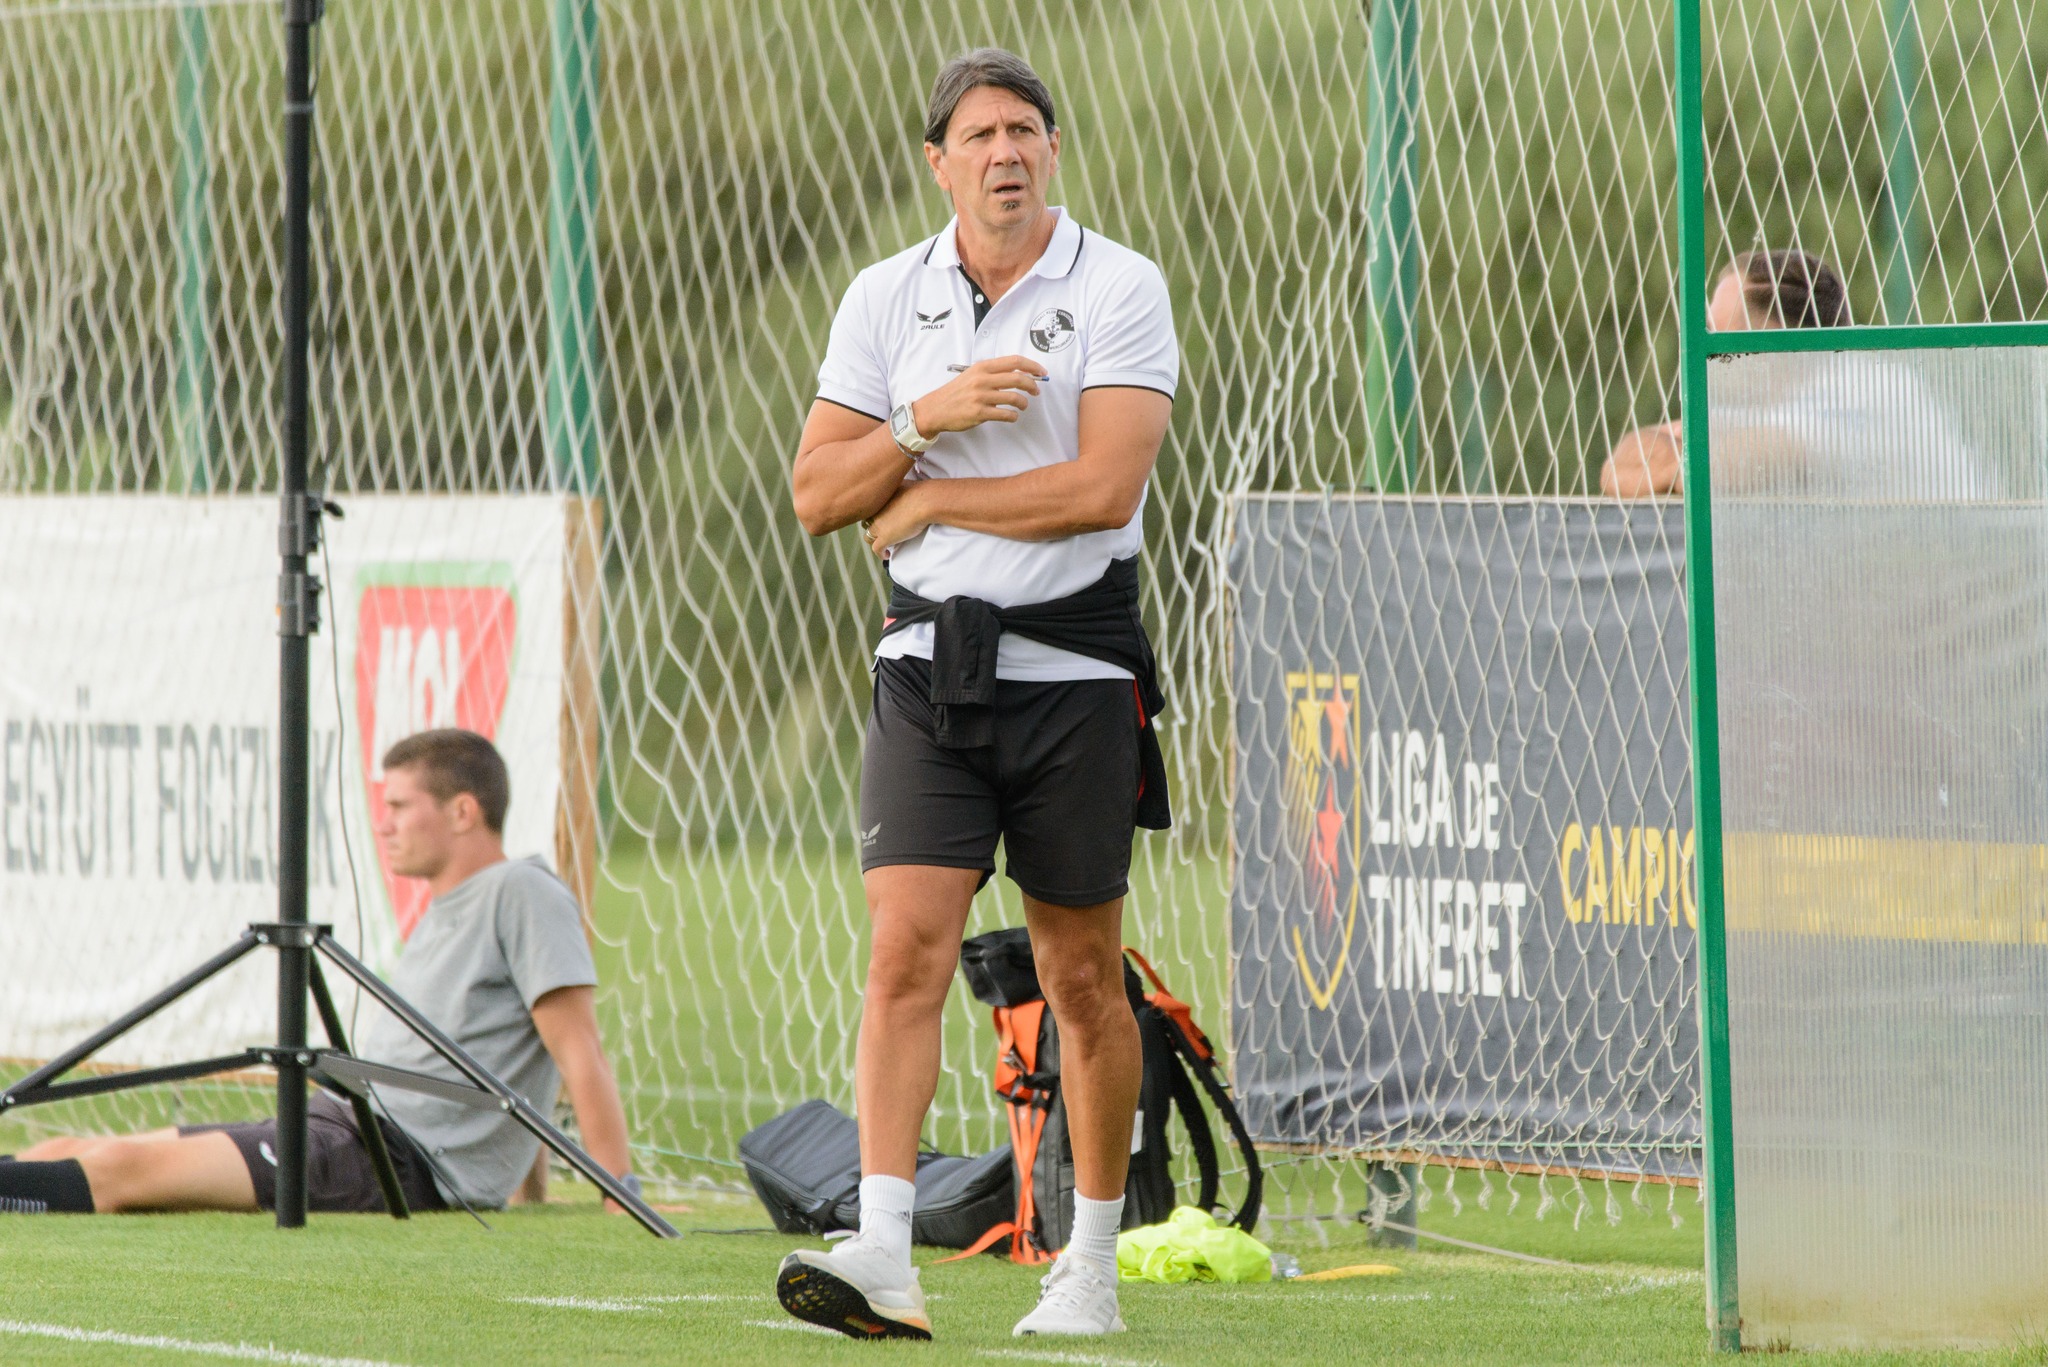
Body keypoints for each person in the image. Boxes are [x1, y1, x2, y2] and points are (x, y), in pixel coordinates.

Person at [781, 47, 1178, 1342]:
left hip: (1074, 671)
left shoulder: (1119, 284)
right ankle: (883, 1248)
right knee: (905, 949)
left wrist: (938, 491)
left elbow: (1101, 488)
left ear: (1052, 151)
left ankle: (1094, 1266)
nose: (1006, 151)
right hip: (926, 673)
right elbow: (817, 496)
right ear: (938, 162)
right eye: (981, 134)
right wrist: (925, 420)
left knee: (1078, 974)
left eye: (1026, 130)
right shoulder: (884, 297)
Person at [0, 729, 638, 1218]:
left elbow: (576, 1048)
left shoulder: (521, 891)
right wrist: (526, 1187)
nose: (381, 823)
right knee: (64, 1146)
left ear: (463, 812)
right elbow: (506, 1067)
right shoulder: (450, 906)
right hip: (343, 1124)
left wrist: (618, 1193)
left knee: (119, 1168)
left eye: (398, 805)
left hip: (392, 1159)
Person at [1600, 248, 1850, 497]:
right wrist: (1686, 468)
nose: (1706, 359)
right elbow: (1619, 464)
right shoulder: (1744, 416)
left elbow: (1749, 463)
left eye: (1718, 343)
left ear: (1775, 344)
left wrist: (1681, 468)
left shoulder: (1833, 417)